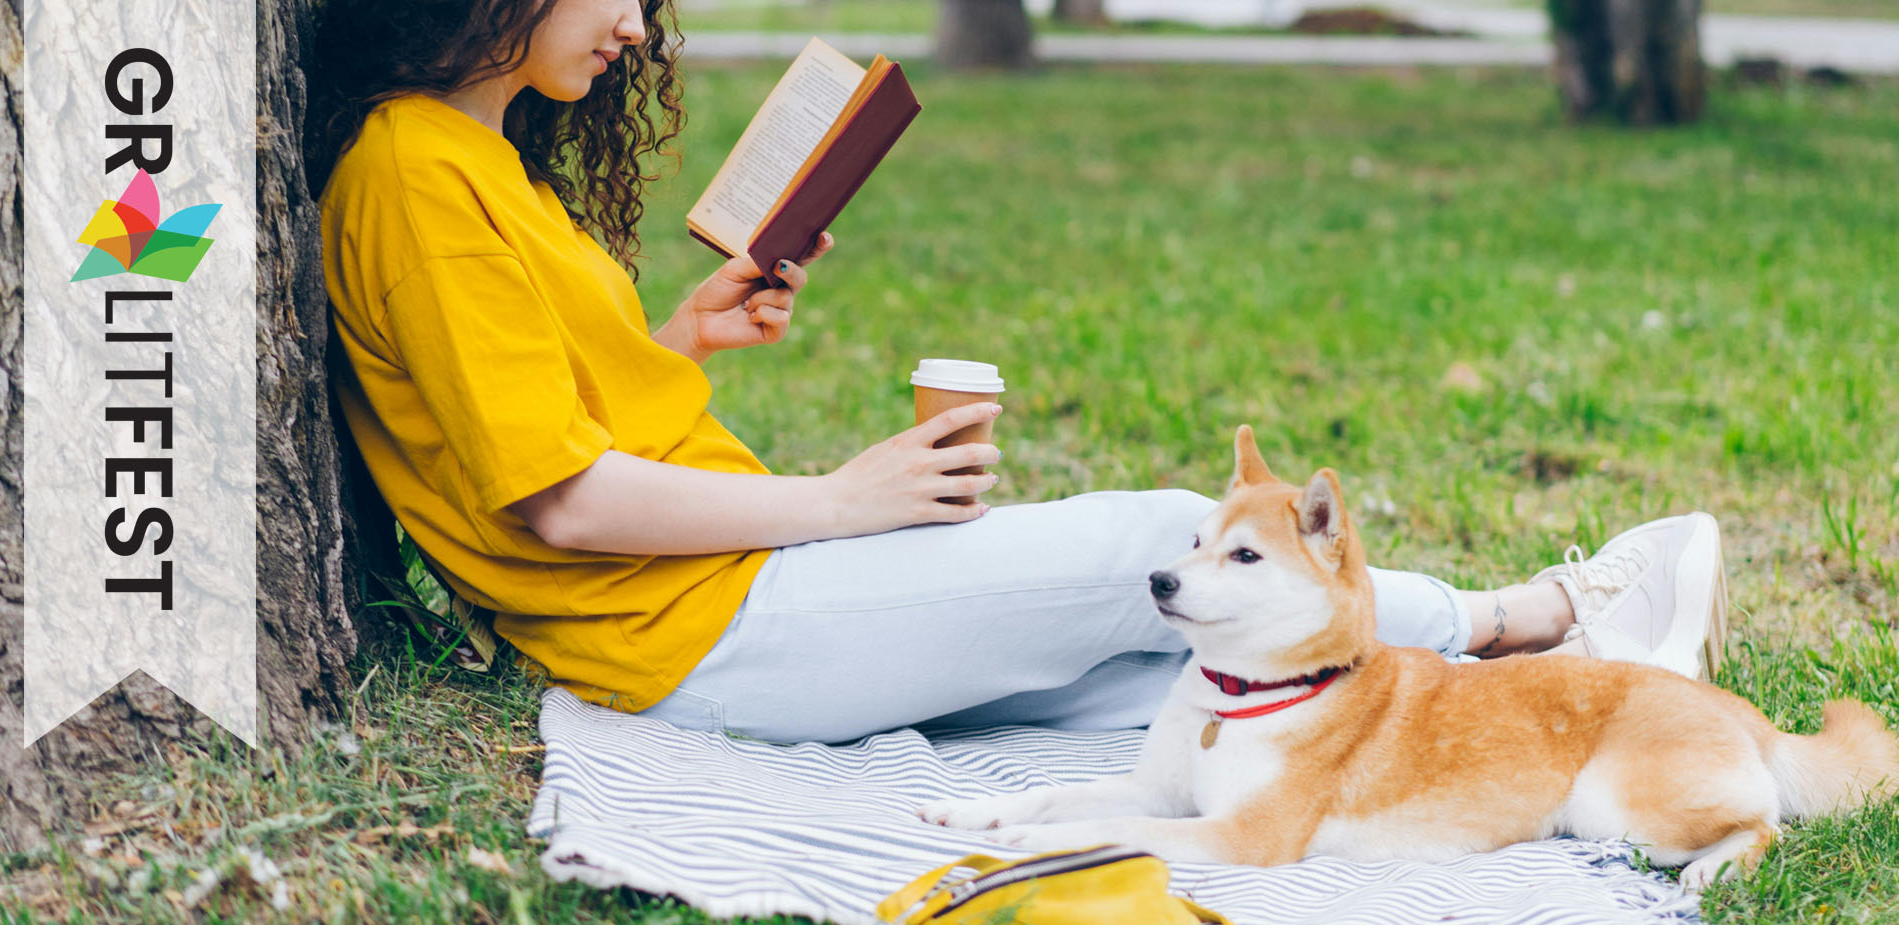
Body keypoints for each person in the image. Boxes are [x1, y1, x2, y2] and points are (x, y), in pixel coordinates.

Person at [308, 0, 1729, 746]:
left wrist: (682, 338)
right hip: (693, 628)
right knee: (1151, 549)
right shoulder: (414, 175)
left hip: (701, 615)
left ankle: (1590, 686)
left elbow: (539, 407)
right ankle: (1535, 610)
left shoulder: (470, 163)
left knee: (1167, 684)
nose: (633, 26)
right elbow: (557, 501)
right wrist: (847, 498)